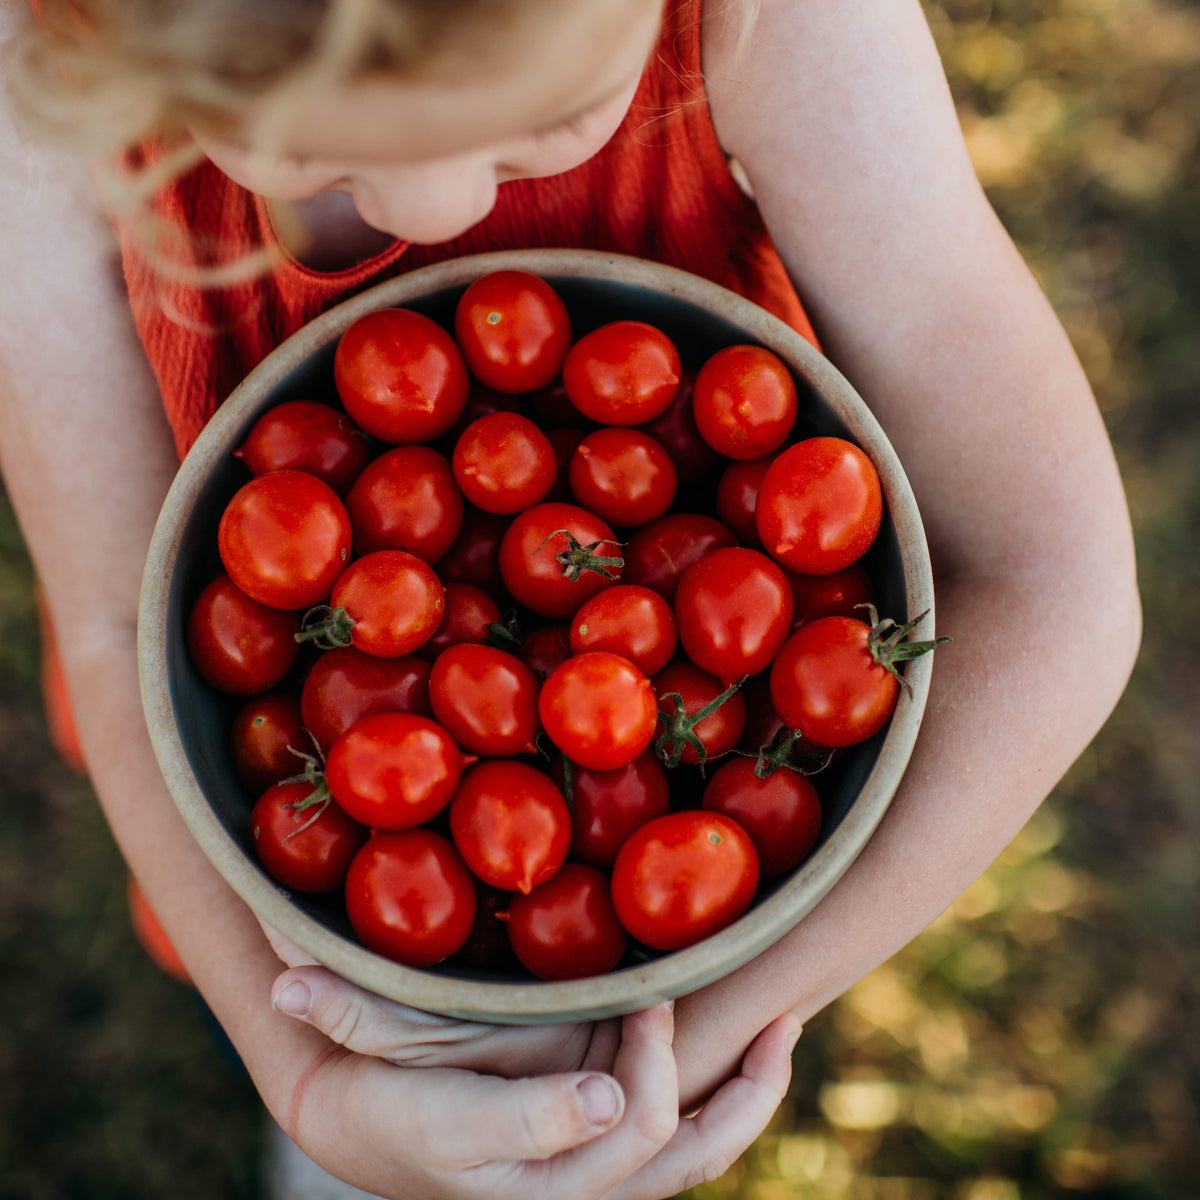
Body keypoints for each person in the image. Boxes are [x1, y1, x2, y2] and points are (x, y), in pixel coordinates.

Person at [0, 0, 1141, 1197]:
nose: (431, 208)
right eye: (299, 140)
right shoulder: (40, 86)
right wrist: (303, 1075)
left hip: (677, 710)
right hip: (313, 816)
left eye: (544, 117)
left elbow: (1056, 584)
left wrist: (687, 1038)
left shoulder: (782, 21)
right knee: (305, 964)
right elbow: (113, 628)